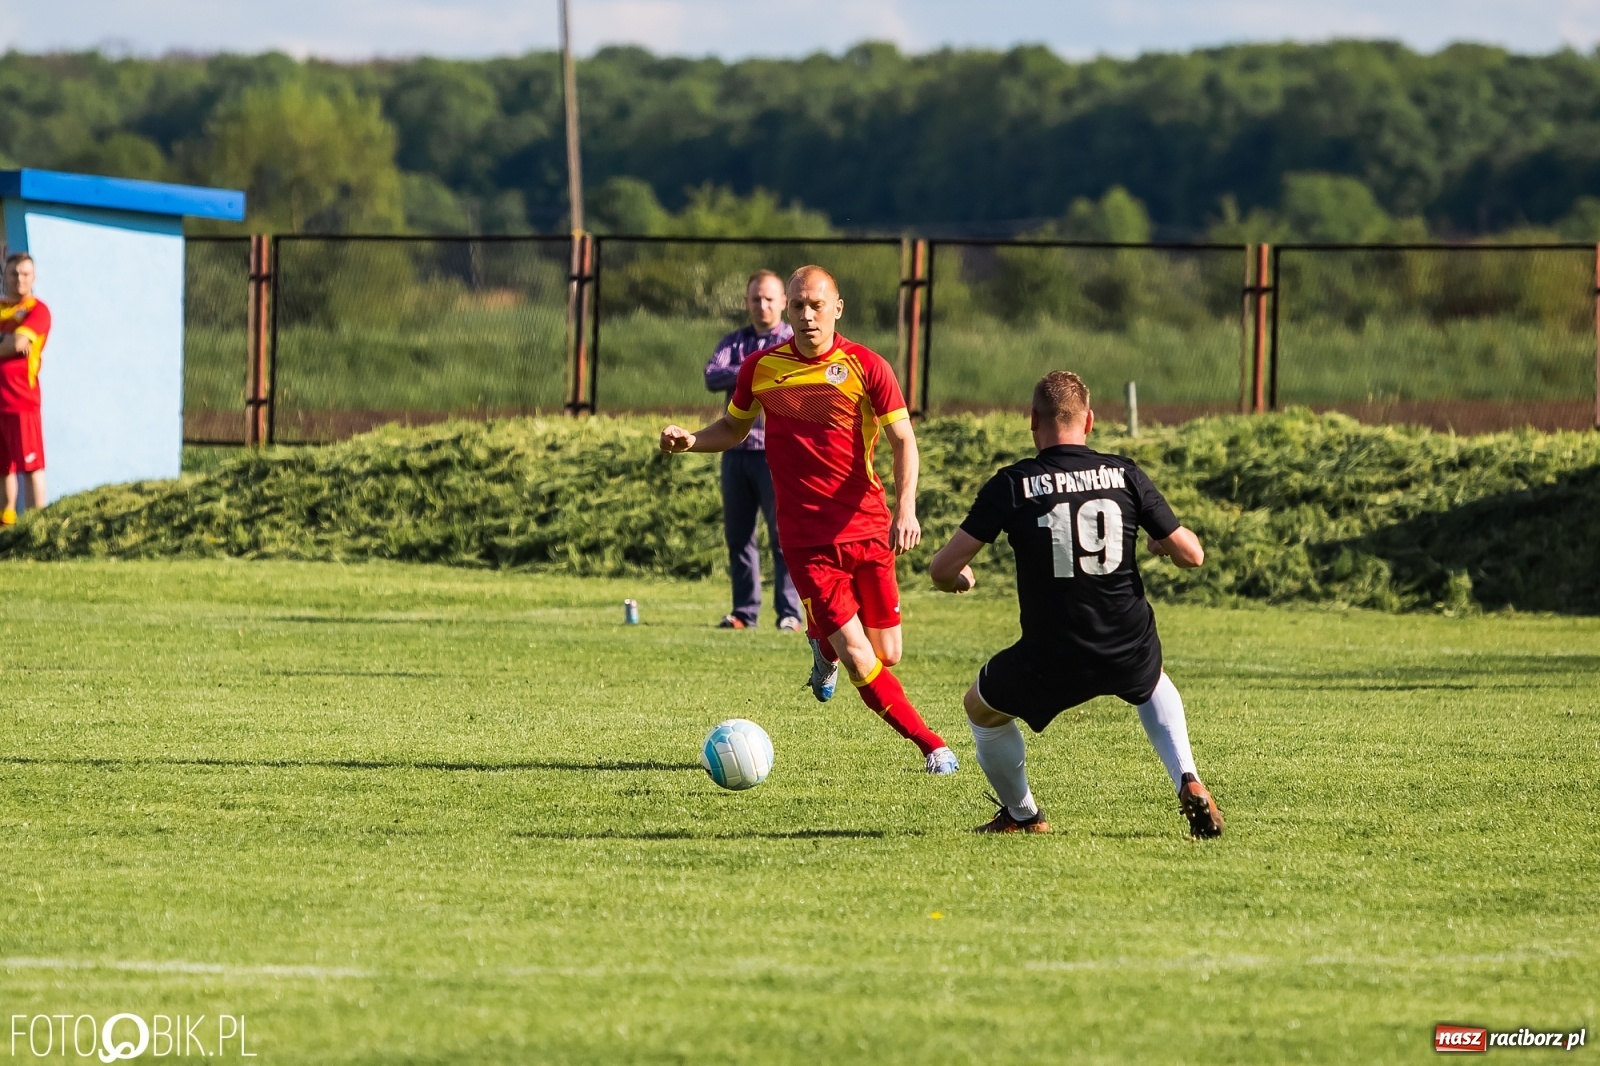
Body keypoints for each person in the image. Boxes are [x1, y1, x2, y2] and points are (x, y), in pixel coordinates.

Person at [661, 266, 959, 774]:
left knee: (888, 652)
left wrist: (906, 508)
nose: (806, 315)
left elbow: (903, 440)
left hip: (867, 528)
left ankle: (821, 647)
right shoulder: (760, 367)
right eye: (798, 305)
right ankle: (933, 746)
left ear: (837, 308)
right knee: (860, 652)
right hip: (805, 540)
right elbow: (733, 428)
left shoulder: (867, 367)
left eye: (816, 305)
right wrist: (692, 440)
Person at [927, 370, 1224, 835]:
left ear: (1032, 421)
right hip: (1126, 642)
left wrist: (960, 580)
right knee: (1150, 677)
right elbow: (1192, 554)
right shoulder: (1124, 473)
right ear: (1089, 422)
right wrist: (1161, 545)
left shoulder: (1012, 484)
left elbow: (941, 569)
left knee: (980, 708)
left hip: (1052, 654)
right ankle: (1188, 778)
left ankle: (1023, 814)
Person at [703, 270, 803, 631]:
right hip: (735, 449)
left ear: (783, 303)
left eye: (769, 298)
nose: (762, 305)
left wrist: (745, 371)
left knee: (783, 536)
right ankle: (744, 612)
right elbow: (712, 376)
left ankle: (789, 613)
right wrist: (757, 368)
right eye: (755, 299)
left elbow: (794, 376)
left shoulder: (795, 341)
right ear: (746, 303)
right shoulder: (734, 341)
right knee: (739, 536)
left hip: (777, 454)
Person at [0, 253, 49, 524]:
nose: (19, 279)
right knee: (2, 469)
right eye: (14, 274)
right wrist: (6, 340)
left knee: (31, 467)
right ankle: (6, 525)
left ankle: (34, 526)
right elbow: (9, 344)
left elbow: (17, 344)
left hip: (21, 402)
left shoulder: (37, 310)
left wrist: (9, 340)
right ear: (4, 277)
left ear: (33, 278)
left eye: (25, 274)